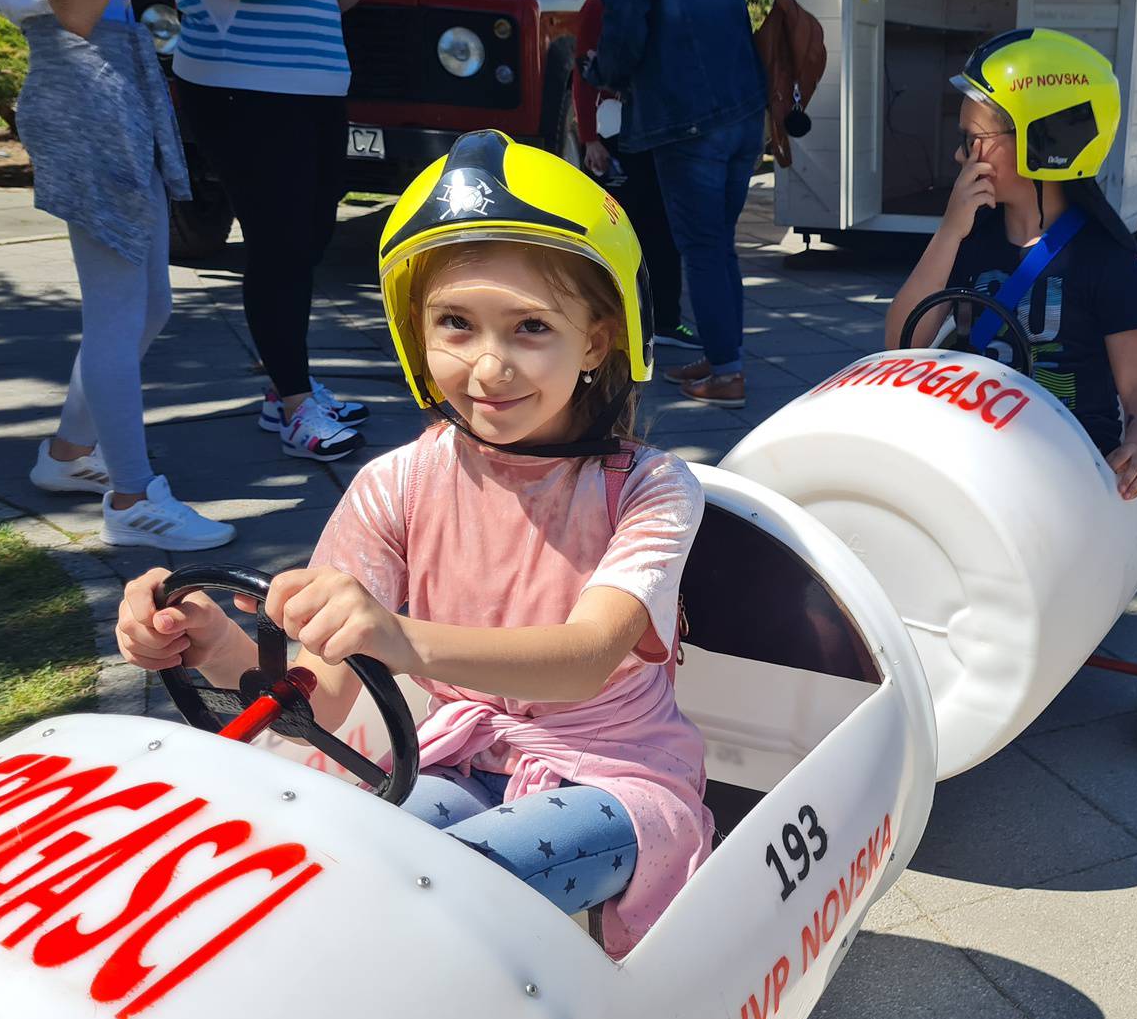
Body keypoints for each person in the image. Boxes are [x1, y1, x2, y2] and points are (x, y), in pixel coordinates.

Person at [114, 132, 713, 957]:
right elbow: (319, 691)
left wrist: (398, 637)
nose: (489, 365)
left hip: (616, 775)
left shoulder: (652, 488)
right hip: (450, 758)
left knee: (443, 898)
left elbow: (584, 658)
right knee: (328, 875)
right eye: (457, 324)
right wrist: (214, 643)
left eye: (531, 326)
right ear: (415, 331)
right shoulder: (398, 482)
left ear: (599, 340)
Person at [0, 0, 232, 549]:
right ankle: (133, 499)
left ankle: (66, 454)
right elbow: (77, 6)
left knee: (146, 307)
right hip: (82, 82)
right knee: (117, 314)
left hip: (102, 75)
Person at [884, 28, 1137, 502]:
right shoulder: (969, 236)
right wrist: (950, 231)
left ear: (1042, 142)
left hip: (1066, 466)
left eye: (971, 139)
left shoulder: (1106, 260)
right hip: (978, 455)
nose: (959, 154)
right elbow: (901, 343)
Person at [160, 0, 387, 461]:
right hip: (243, 83)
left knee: (307, 241)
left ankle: (286, 387)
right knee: (279, 246)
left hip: (311, 85)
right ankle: (293, 404)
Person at [595, 0, 781, 410]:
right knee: (720, 244)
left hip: (686, 116)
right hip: (745, 110)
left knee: (702, 248)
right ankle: (725, 356)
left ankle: (727, 374)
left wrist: (602, 72)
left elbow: (624, 32)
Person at [573, 0, 700, 357]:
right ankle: (608, 320)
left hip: (658, 136)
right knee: (616, 232)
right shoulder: (599, 7)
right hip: (613, 135)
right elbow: (582, 74)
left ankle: (663, 320)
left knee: (663, 232)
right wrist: (589, 139)